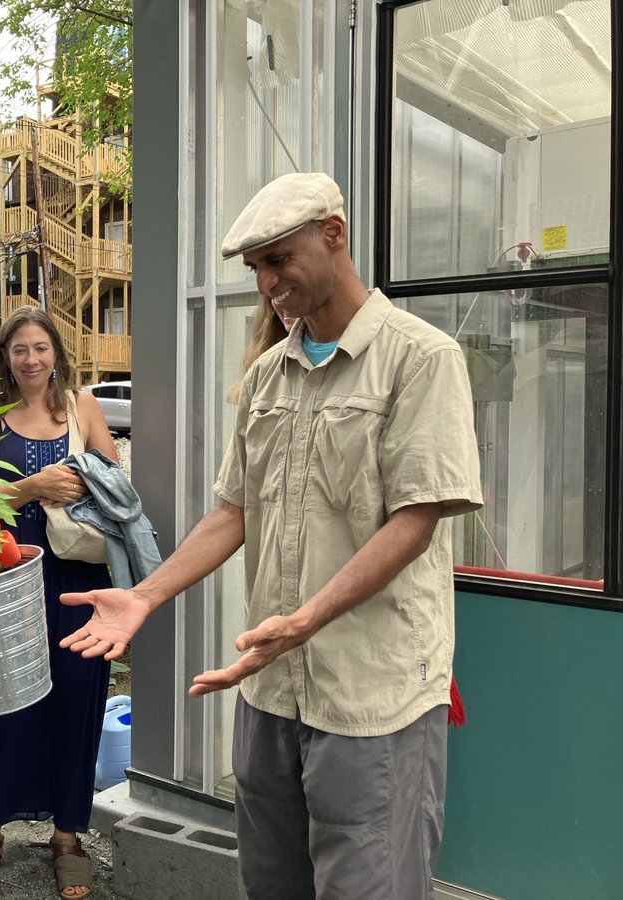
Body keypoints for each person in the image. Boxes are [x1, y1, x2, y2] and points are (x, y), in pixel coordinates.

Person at [61, 172, 483, 899]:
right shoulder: (268, 378)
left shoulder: (421, 359)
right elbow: (234, 511)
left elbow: (415, 521)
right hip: (270, 692)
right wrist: (146, 595)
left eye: (278, 260)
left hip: (370, 696)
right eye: (255, 267)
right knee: (271, 885)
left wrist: (310, 618)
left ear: (334, 234)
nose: (265, 283)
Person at [0, 306, 118, 900]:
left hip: (76, 576)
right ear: (5, 357)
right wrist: (30, 488)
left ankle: (68, 835)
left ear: (57, 353)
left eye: (41, 348)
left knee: (76, 695)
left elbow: (117, 486)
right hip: (8, 578)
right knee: (3, 701)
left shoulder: (82, 407)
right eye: (20, 349)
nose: (32, 359)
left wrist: (84, 479)